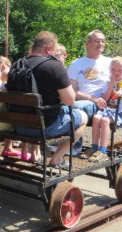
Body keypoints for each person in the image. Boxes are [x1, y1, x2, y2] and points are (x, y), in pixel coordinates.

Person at [13, 31, 88, 169]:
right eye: (54, 50)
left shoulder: (17, 65)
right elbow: (70, 101)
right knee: (82, 117)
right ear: (48, 49)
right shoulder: (54, 66)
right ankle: (57, 158)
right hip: (44, 128)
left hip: (18, 127)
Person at [68, 30, 122, 122]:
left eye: (103, 41)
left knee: (72, 110)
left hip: (108, 104)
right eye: (97, 41)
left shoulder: (110, 62)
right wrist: (92, 99)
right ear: (87, 43)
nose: (100, 44)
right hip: (88, 102)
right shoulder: (76, 64)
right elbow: (73, 91)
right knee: (74, 108)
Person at [87, 57, 122, 161]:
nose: (116, 72)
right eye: (113, 70)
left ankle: (103, 150)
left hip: (121, 112)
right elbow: (105, 99)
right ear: (109, 69)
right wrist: (111, 85)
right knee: (96, 118)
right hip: (109, 109)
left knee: (104, 120)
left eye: (119, 70)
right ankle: (94, 147)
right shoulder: (108, 81)